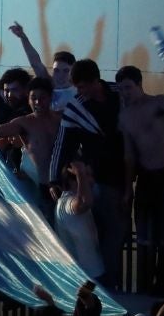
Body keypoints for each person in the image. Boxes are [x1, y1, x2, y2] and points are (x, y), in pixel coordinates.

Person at [49, 59, 127, 291]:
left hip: (123, 176)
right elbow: (62, 144)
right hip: (96, 179)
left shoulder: (119, 93)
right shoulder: (77, 106)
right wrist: (54, 178)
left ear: (96, 80)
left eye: (82, 87)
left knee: (116, 233)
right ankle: (106, 286)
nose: (79, 92)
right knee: (104, 233)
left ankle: (110, 284)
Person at [117, 63, 164, 293]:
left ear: (139, 84)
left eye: (128, 87)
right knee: (145, 236)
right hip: (147, 178)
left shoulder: (158, 102)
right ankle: (144, 286)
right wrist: (128, 189)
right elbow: (129, 156)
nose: (124, 93)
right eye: (121, 89)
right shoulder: (125, 116)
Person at [0, 77, 62, 214]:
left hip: (66, 186)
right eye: (33, 98)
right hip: (41, 188)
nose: (38, 102)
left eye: (42, 98)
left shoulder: (62, 119)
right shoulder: (24, 122)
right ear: (28, 98)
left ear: (50, 97)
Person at [8, 21, 77, 109]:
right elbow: (35, 62)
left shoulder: (79, 92)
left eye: (66, 71)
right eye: (56, 70)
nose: (60, 75)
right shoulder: (48, 85)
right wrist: (23, 37)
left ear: (73, 72)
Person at [54, 162, 105, 280]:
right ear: (73, 181)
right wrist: (80, 174)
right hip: (88, 276)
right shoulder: (67, 203)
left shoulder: (67, 199)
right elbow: (85, 202)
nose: (91, 180)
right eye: (87, 175)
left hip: (91, 272)